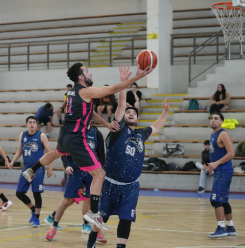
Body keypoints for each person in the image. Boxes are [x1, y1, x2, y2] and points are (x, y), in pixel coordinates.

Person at [22, 63, 152, 231]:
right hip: (77, 139)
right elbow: (112, 89)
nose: (91, 72)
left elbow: (89, 111)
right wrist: (136, 77)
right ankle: (94, 213)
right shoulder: (86, 91)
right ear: (81, 77)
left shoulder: (72, 92)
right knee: (100, 174)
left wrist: (105, 123)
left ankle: (31, 170)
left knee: (56, 153)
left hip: (65, 133)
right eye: (87, 71)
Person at [86, 85, 170, 248]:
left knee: (126, 219)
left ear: (137, 119)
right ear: (123, 117)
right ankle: (91, 242)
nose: (131, 114)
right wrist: (124, 83)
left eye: (134, 113)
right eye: (128, 113)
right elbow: (121, 104)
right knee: (101, 218)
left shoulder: (140, 134)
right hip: (110, 183)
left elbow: (156, 127)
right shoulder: (118, 129)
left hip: (131, 186)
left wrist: (165, 112)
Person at [45, 125, 107, 244]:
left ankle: (94, 229)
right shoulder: (72, 130)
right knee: (67, 201)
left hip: (91, 172)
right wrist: (67, 165)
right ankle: (53, 226)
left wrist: (102, 172)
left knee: (90, 201)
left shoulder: (96, 133)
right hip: (75, 171)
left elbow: (100, 153)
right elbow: (62, 151)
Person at [8, 116, 53, 228]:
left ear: (37, 125)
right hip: (26, 168)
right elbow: (20, 151)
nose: (32, 124)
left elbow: (49, 153)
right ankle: (33, 210)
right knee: (19, 193)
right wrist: (12, 161)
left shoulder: (41, 136)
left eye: (34, 122)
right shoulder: (22, 135)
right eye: (30, 122)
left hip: (38, 169)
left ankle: (37, 219)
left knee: (36, 193)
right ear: (26, 124)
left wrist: (50, 167)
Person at [206, 112, 236, 238]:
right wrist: (213, 167)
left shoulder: (223, 134)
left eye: (216, 118)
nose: (213, 120)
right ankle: (230, 227)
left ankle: (221, 228)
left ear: (221, 121)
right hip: (221, 170)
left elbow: (231, 153)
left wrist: (216, 163)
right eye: (211, 118)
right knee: (223, 200)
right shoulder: (213, 135)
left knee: (215, 198)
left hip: (224, 170)